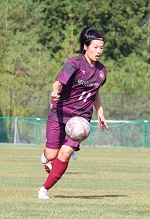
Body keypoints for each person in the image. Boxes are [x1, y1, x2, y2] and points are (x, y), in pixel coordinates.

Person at [38, 26, 109, 199]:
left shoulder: (102, 71)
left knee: (66, 153)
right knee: (51, 155)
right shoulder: (74, 64)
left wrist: (100, 111)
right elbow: (58, 83)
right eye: (95, 47)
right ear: (85, 46)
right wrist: (54, 92)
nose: (98, 51)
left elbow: (95, 92)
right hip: (60, 113)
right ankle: (48, 156)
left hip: (80, 119)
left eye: (101, 48)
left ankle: (44, 189)